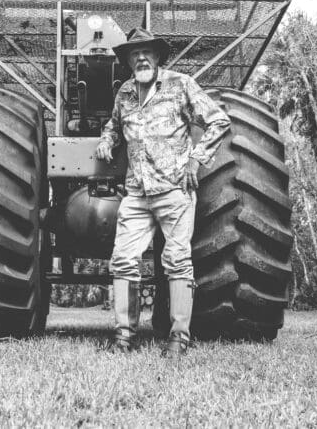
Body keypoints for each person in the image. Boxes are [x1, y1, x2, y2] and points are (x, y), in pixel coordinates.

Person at [96, 27, 231, 357]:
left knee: (176, 261)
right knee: (124, 260)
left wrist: (196, 160)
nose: (141, 57)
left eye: (147, 52)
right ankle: (124, 336)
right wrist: (106, 141)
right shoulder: (125, 92)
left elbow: (218, 121)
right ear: (128, 60)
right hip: (137, 195)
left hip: (174, 190)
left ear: (157, 56)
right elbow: (114, 124)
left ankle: (178, 336)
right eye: (134, 53)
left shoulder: (180, 84)